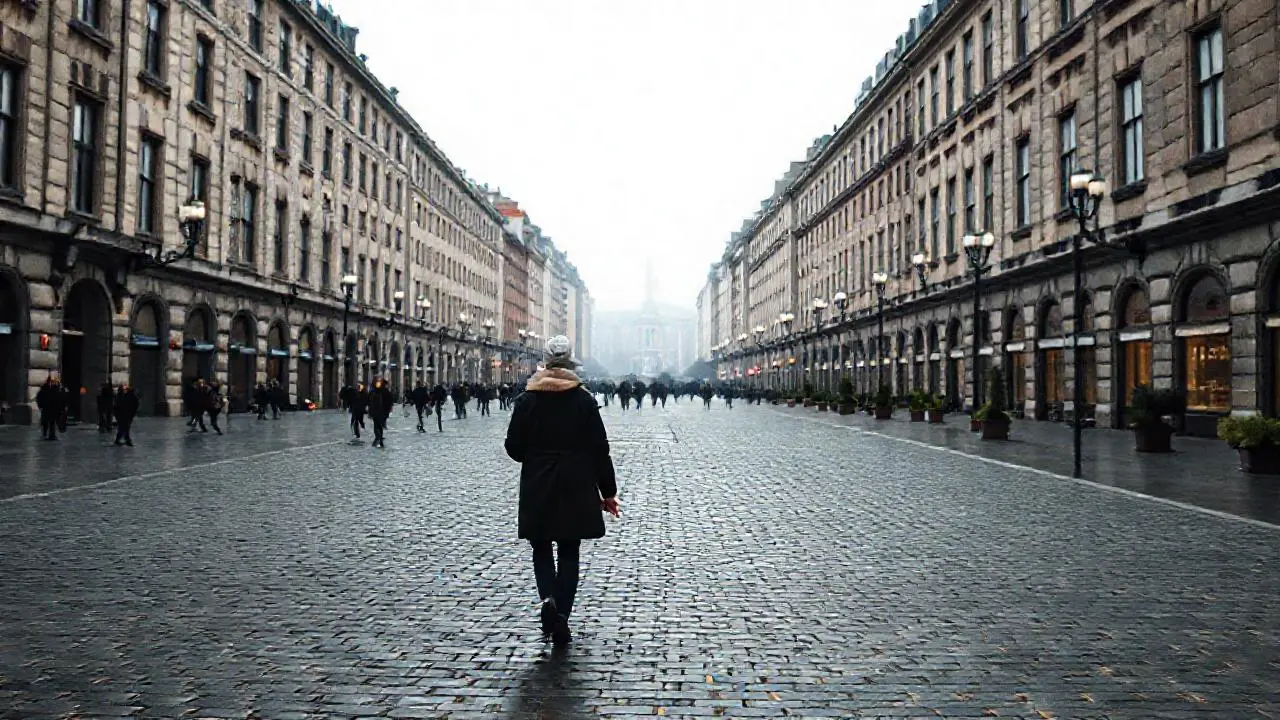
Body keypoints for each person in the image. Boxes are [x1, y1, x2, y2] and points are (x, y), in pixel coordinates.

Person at [505, 335, 620, 646]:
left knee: (540, 547)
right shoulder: (583, 400)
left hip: (538, 483)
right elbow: (600, 449)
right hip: (577, 483)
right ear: (571, 363)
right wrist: (608, 492)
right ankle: (562, 616)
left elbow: (513, 447)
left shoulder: (527, 399)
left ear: (545, 361)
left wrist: (536, 456)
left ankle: (548, 600)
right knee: (569, 550)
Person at [36, 375, 64, 440]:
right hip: (50, 408)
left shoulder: (45, 390)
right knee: (50, 422)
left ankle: (47, 434)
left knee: (49, 422)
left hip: (48, 409)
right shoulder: (54, 390)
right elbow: (59, 398)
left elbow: (39, 398)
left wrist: (41, 406)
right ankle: (49, 435)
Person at [368, 377, 393, 449]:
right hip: (376, 412)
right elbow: (369, 401)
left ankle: (378, 438)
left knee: (378, 425)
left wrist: (388, 411)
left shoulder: (385, 391)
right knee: (377, 425)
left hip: (382, 412)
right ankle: (379, 438)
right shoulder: (373, 392)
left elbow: (389, 402)